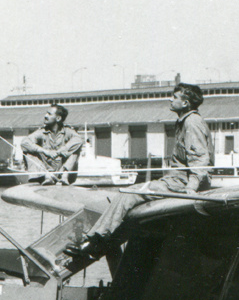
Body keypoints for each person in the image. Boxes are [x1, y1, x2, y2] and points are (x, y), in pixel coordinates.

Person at [58, 82, 210, 272]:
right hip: (173, 180)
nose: (170, 99)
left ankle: (94, 240)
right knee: (129, 197)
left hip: (181, 183)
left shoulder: (192, 122)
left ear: (185, 102)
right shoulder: (183, 122)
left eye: (175, 96)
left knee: (128, 194)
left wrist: (192, 188)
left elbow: (199, 158)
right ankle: (97, 240)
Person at [19, 104, 84, 182]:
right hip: (46, 171)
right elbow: (24, 142)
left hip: (63, 170)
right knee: (28, 151)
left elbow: (79, 140)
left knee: (75, 149)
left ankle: (65, 175)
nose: (45, 116)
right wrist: (46, 151)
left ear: (58, 118)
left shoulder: (68, 131)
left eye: (49, 114)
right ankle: (47, 176)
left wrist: (59, 151)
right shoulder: (41, 132)